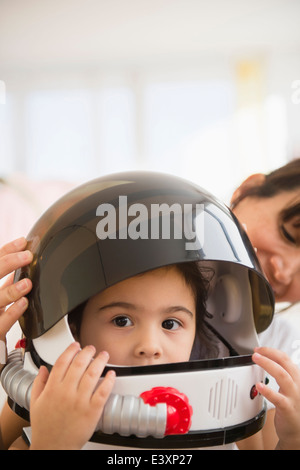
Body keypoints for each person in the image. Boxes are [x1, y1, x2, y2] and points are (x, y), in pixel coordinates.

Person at [230, 158, 300, 449]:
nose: (284, 271)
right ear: (247, 190)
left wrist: (293, 438)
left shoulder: (280, 346)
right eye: (289, 234)